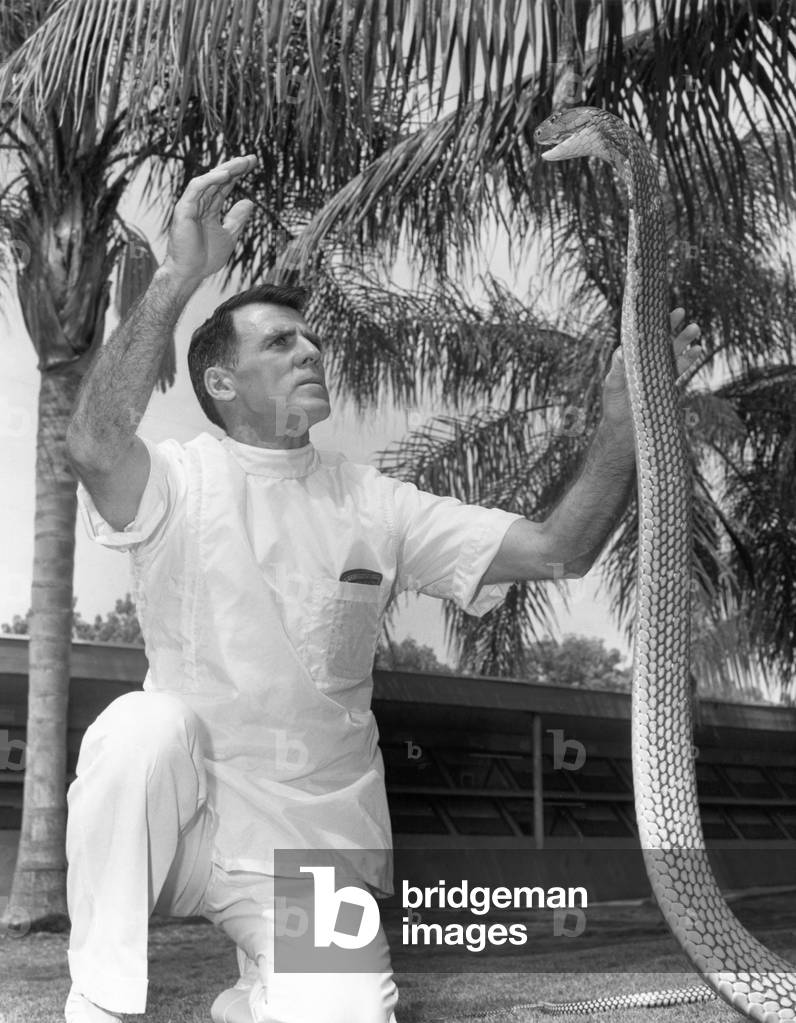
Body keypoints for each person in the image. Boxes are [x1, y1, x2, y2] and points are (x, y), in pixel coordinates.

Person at [63, 155, 702, 1023]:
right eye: (279, 343)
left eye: (310, 339)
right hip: (179, 823)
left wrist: (624, 428)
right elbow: (95, 447)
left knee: (344, 1015)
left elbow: (560, 551)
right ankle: (97, 1006)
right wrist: (179, 275)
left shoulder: (377, 504)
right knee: (139, 728)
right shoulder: (179, 480)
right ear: (221, 382)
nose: (309, 349)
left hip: (309, 851)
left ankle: (258, 998)